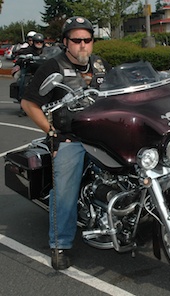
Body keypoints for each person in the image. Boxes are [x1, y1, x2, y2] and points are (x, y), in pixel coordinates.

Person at [20, 16, 111, 270]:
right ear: (65, 42)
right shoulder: (53, 66)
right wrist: (50, 131)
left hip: (104, 136)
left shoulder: (102, 65)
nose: (83, 45)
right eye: (77, 40)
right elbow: (29, 103)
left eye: (87, 40)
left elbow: (120, 91)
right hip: (70, 137)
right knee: (65, 190)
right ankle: (60, 243)